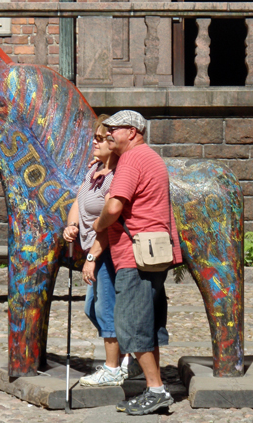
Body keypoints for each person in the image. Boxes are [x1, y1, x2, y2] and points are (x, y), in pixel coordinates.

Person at [91, 110, 183, 416]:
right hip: (154, 253)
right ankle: (151, 387)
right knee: (148, 325)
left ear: (133, 131)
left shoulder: (131, 160)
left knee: (131, 326)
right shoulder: (150, 157)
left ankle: (157, 390)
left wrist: (99, 225)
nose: (109, 135)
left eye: (114, 130)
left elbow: (115, 206)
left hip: (133, 256)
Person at [63, 114, 143, 387]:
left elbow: (111, 223)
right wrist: (72, 225)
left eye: (101, 139)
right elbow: (78, 199)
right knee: (91, 308)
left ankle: (113, 367)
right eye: (95, 137)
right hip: (92, 248)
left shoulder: (115, 178)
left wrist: (91, 257)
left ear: (113, 144)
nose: (94, 142)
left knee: (105, 308)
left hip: (106, 251)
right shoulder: (93, 170)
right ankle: (127, 359)